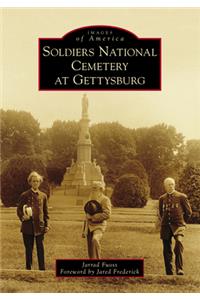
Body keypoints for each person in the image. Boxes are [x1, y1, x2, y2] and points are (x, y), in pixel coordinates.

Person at [159, 177, 192, 275]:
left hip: (178, 226)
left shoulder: (182, 197)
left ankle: (179, 269)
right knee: (166, 249)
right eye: (168, 184)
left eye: (172, 184)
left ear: (174, 185)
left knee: (178, 243)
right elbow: (161, 213)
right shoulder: (162, 198)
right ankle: (169, 272)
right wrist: (165, 222)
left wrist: (182, 223)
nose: (171, 186)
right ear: (165, 186)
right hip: (165, 227)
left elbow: (188, 212)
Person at [17, 171, 49, 270]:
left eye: (37, 181)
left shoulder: (43, 196)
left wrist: (47, 225)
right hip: (27, 227)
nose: (35, 183)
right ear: (30, 182)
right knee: (29, 249)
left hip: (40, 226)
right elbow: (19, 209)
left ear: (40, 182)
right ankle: (28, 269)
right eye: (33, 181)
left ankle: (42, 269)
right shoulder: (24, 195)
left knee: (40, 248)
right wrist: (23, 217)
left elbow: (45, 212)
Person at [82, 181, 111, 259]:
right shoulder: (90, 199)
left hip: (99, 225)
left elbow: (107, 214)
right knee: (90, 248)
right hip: (89, 226)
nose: (93, 190)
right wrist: (84, 230)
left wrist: (93, 217)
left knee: (95, 240)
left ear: (101, 189)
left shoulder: (105, 199)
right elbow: (86, 215)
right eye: (92, 188)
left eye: (95, 188)